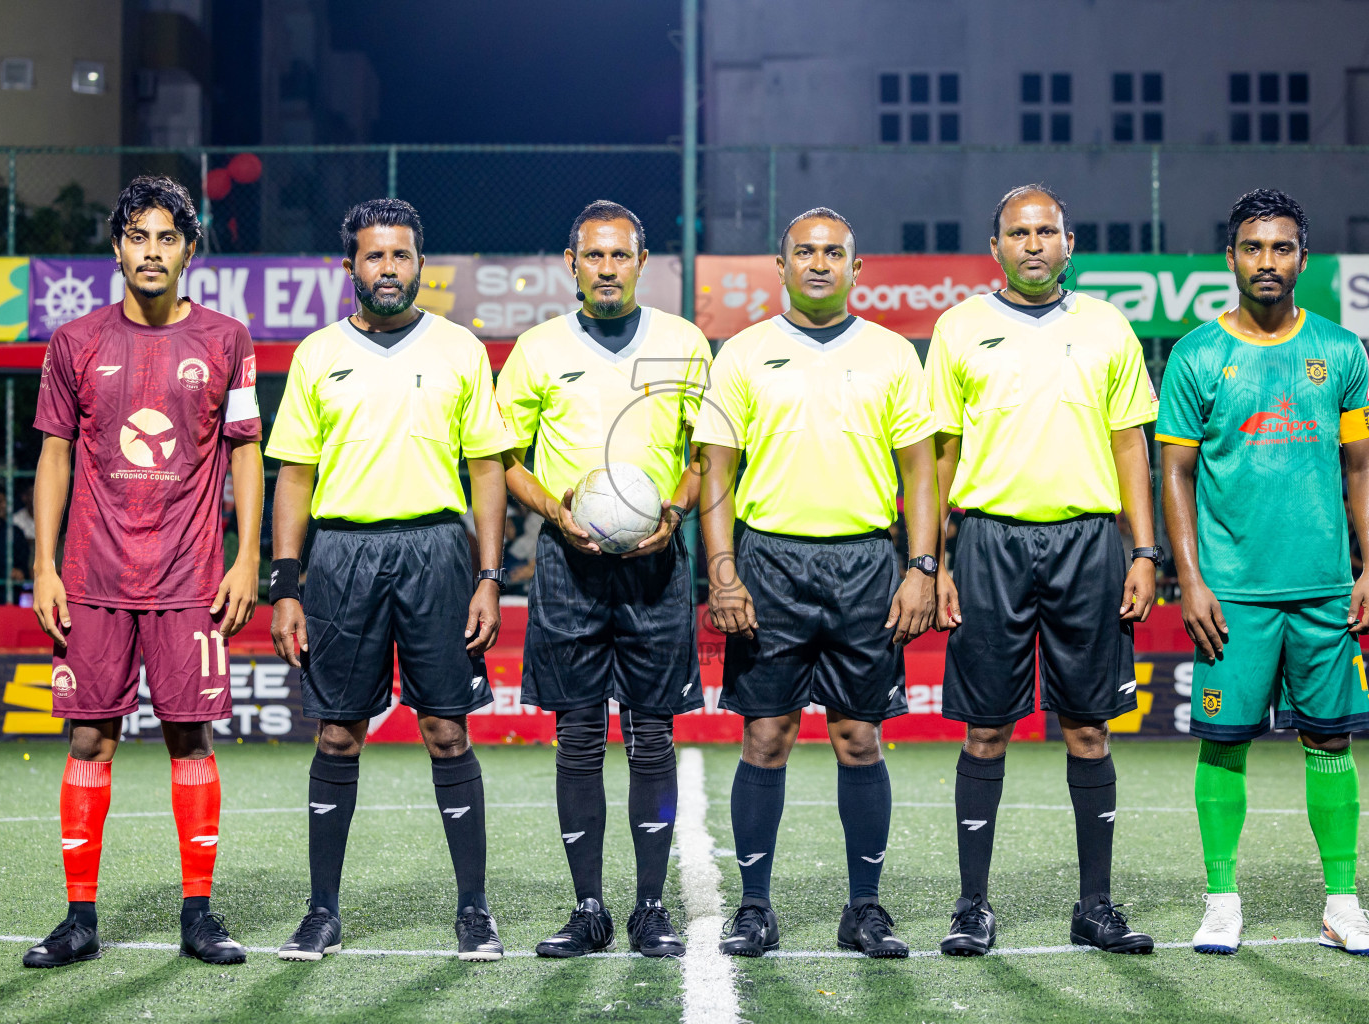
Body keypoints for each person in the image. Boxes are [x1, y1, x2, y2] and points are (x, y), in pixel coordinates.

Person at [24, 175, 264, 968]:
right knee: (89, 737)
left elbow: (246, 453)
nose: (151, 251)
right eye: (138, 236)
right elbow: (55, 453)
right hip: (91, 577)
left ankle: (199, 914)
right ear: (118, 247)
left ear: (190, 250)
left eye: (167, 237)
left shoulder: (227, 341)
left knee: (189, 735)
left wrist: (247, 555)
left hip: (191, 577)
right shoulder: (76, 342)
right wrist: (43, 563)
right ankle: (79, 919)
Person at [267, 198, 513, 962]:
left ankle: (474, 911)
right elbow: (294, 475)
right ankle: (322, 912)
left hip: (438, 551)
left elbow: (488, 470)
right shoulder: (316, 355)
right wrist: (285, 583)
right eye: (374, 257)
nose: (388, 269)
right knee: (338, 732)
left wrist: (489, 575)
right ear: (351, 268)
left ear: (419, 264)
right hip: (341, 556)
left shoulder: (460, 349)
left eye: (401, 256)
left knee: (446, 729)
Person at [697, 207, 938, 959]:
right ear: (783, 265)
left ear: (857, 269)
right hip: (769, 564)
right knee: (765, 735)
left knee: (858, 738)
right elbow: (716, 476)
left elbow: (922, 471)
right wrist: (724, 570)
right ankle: (755, 908)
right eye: (806, 251)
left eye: (835, 252)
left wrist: (921, 566)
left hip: (865, 564)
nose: (820, 263)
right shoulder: (741, 353)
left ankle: (864, 909)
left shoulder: (895, 353)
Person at [928, 184, 1159, 957]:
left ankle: (1094, 906)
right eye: (1017, 233)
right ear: (994, 247)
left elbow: (1134, 446)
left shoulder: (1106, 326)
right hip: (989, 542)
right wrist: (931, 560)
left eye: (1046, 231)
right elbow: (940, 454)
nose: (1032, 244)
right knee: (986, 728)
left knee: (1089, 726)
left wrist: (1144, 550)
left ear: (1069, 242)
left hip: (1089, 544)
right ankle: (971, 906)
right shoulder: (958, 328)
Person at [1159, 189, 1369, 957]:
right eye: (1253, 248)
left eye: (1282, 247)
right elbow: (1176, 476)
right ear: (1230, 258)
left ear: (1303, 257)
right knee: (1224, 744)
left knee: (1331, 744)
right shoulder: (1197, 355)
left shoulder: (1342, 350)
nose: (1268, 261)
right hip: (1232, 596)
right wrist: (1188, 580)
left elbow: (1363, 465)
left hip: (1325, 592)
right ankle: (1221, 899)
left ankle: (1343, 905)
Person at [495, 200, 711, 958]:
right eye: (595, 256)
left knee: (652, 738)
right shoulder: (537, 348)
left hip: (656, 566)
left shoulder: (684, 344)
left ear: (642, 264)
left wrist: (677, 511)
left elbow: (705, 454)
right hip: (568, 564)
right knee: (579, 738)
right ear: (572, 262)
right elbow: (502, 459)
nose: (608, 268)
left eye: (621, 256)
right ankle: (588, 908)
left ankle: (650, 909)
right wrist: (556, 511)